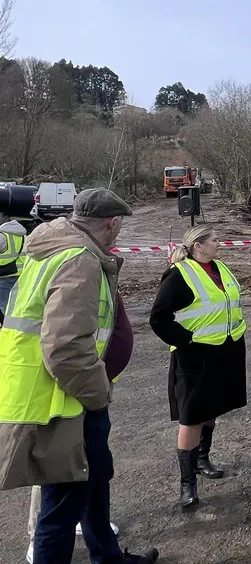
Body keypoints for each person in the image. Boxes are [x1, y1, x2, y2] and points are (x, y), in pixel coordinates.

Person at [0, 188, 159, 563]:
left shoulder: (49, 250)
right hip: (62, 401)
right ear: (112, 223)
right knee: (61, 508)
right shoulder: (79, 260)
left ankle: (108, 556)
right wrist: (98, 392)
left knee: (93, 480)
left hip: (56, 393)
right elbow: (65, 348)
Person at [149, 224, 248, 509]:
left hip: (224, 351)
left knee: (211, 410)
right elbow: (158, 317)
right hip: (194, 357)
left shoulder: (221, 269)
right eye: (215, 240)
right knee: (191, 417)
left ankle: (203, 458)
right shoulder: (179, 275)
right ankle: (187, 483)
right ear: (198, 247)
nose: (220, 244)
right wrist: (186, 341)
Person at [0, 213, 26, 319]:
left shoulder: (2, 236)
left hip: (4, 277)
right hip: (21, 276)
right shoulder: (23, 235)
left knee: (3, 307)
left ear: (3, 216)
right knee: (14, 306)